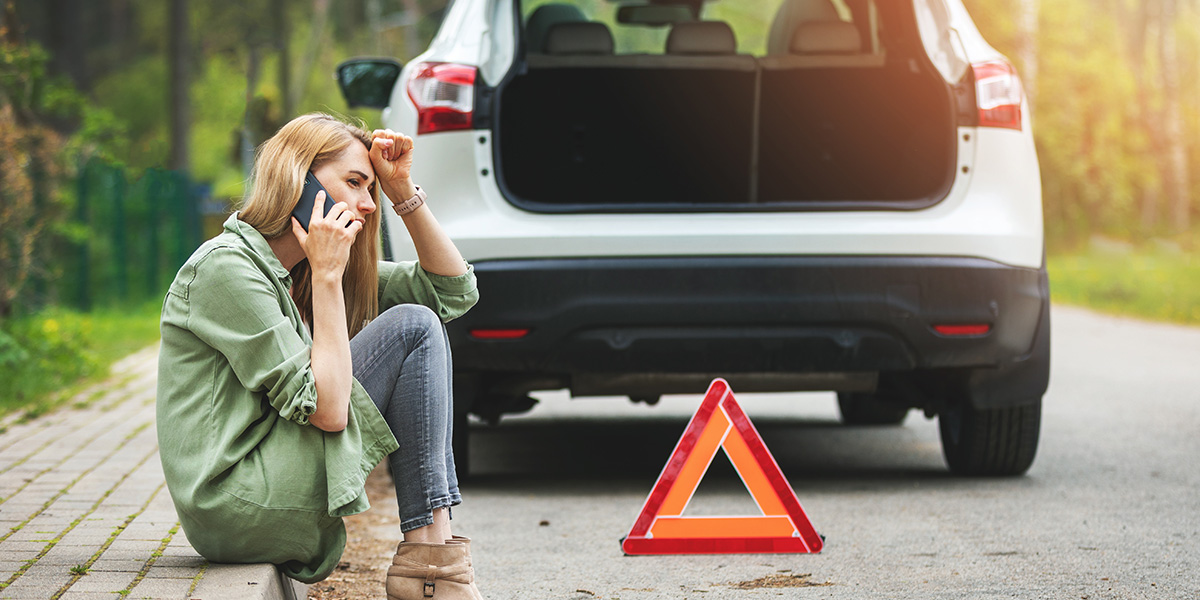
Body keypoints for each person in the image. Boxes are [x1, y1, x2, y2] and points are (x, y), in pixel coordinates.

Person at [156, 113, 484, 600]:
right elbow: (328, 411)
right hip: (234, 501)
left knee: (423, 321)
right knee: (412, 328)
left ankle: (434, 560)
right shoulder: (225, 269)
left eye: (371, 189)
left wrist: (402, 192)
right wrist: (329, 279)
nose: (367, 204)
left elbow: (453, 293)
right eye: (354, 183)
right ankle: (430, 569)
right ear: (298, 180)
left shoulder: (303, 269)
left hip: (267, 475)